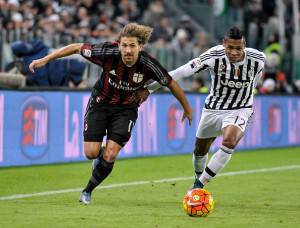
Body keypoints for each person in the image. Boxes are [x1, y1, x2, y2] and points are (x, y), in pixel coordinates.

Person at [29, 23, 193, 204]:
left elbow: (170, 82)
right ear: (119, 45)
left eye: (132, 46)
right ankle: (99, 159)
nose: (127, 50)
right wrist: (45, 60)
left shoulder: (148, 64)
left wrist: (186, 107)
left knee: (111, 153)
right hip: (100, 103)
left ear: (140, 46)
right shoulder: (108, 52)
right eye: (124, 45)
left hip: (126, 109)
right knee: (91, 153)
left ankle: (87, 191)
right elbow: (75, 48)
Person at [133, 26, 265, 190]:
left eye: (238, 48)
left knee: (229, 141)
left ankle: (198, 185)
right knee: (199, 150)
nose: (234, 52)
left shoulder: (258, 59)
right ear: (224, 44)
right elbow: (182, 72)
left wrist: (248, 102)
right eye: (230, 48)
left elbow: (256, 79)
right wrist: (150, 88)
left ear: (244, 46)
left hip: (240, 108)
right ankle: (198, 177)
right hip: (213, 109)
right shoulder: (213, 56)